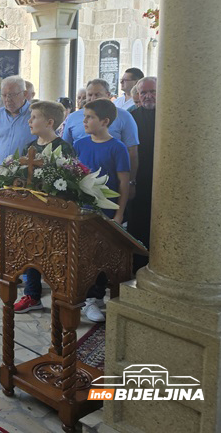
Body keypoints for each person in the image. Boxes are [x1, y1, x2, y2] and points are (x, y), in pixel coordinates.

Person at [13, 101, 73, 313]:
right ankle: (32, 295)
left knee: (54, 256)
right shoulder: (31, 146)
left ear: (49, 122)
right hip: (30, 212)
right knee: (31, 252)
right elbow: (20, 176)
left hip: (53, 214)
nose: (29, 121)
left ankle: (61, 297)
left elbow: (69, 182)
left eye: (34, 117)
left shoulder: (63, 148)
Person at [74, 99, 131, 322]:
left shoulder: (118, 148)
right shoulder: (80, 143)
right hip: (82, 211)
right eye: (84, 117)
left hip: (106, 212)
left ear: (105, 121)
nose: (85, 121)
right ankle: (88, 299)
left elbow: (123, 182)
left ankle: (94, 298)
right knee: (84, 257)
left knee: (100, 257)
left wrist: (119, 214)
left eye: (90, 117)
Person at [0, 76, 37, 289]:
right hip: (0, 186)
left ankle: (28, 278)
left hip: (27, 186)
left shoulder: (35, 114)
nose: (7, 99)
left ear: (24, 94)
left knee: (25, 232)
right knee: (4, 231)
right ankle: (6, 273)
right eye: (4, 95)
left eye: (12, 95)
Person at [62, 78, 139, 190]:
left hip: (111, 181)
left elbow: (132, 151)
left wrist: (130, 182)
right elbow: (66, 150)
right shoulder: (73, 118)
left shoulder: (124, 116)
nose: (92, 98)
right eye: (90, 95)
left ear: (108, 95)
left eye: (97, 94)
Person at [127, 77, 156, 272]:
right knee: (137, 223)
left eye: (152, 91)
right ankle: (137, 267)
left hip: (164, 179)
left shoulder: (170, 114)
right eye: (143, 93)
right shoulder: (132, 117)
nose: (147, 96)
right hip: (139, 178)